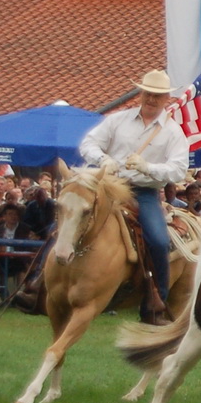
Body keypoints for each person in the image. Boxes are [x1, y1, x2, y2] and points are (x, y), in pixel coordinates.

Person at [77, 69, 190, 326]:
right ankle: (38, 283)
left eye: (158, 96)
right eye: (148, 93)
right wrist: (103, 159)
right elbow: (88, 144)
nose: (152, 99)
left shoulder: (172, 132)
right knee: (68, 220)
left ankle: (155, 305)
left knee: (159, 241)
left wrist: (147, 168)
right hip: (108, 184)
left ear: (166, 100)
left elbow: (179, 169)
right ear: (141, 93)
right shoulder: (118, 120)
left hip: (143, 192)